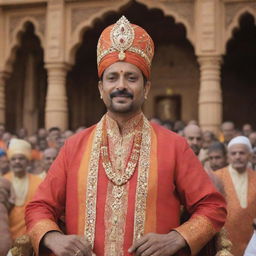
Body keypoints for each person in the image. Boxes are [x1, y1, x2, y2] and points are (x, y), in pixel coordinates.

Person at [25, 16, 226, 256]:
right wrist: (53, 237)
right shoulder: (74, 146)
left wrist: (177, 237)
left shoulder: (174, 146)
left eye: (131, 78)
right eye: (112, 78)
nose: (121, 85)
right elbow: (39, 207)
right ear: (101, 89)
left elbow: (213, 206)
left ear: (146, 88)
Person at [215, 136, 256, 256]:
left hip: (252, 240)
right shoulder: (216, 177)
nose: (238, 156)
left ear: (249, 155)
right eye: (234, 153)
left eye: (242, 153)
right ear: (228, 156)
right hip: (225, 241)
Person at [4, 138, 42, 240]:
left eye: (21, 158)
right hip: (6, 237)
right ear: (10, 162)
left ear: (28, 161)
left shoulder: (39, 182)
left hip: (30, 237)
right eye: (13, 159)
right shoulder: (2, 182)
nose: (17, 161)